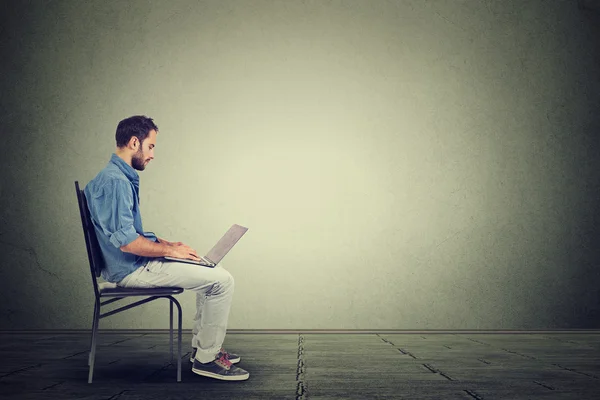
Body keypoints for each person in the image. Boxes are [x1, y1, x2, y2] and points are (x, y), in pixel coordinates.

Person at [84, 115, 249, 381]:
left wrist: (167, 244)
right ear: (134, 142)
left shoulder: (116, 177)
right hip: (131, 270)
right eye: (150, 147)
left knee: (209, 273)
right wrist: (170, 253)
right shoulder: (114, 182)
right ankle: (206, 359)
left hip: (134, 264)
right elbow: (128, 244)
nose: (152, 155)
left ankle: (204, 349)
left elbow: (127, 232)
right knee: (223, 281)